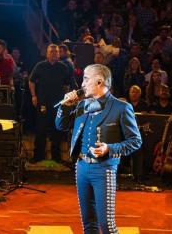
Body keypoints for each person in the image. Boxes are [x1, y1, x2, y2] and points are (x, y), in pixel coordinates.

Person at [55, 64, 142, 234]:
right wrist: (65, 105)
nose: (82, 84)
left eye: (86, 79)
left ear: (100, 82)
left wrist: (110, 148)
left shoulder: (122, 108)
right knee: (88, 223)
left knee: (107, 226)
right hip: (81, 167)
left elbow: (136, 141)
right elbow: (61, 125)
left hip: (104, 169)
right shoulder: (82, 105)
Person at [29, 43, 71, 163]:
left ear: (59, 54)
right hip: (43, 103)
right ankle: (38, 156)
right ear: (47, 53)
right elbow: (31, 81)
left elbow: (67, 84)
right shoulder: (40, 66)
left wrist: (66, 98)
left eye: (56, 52)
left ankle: (56, 156)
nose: (53, 53)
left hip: (58, 104)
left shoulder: (63, 67)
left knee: (57, 130)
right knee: (40, 130)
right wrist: (33, 96)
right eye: (51, 51)